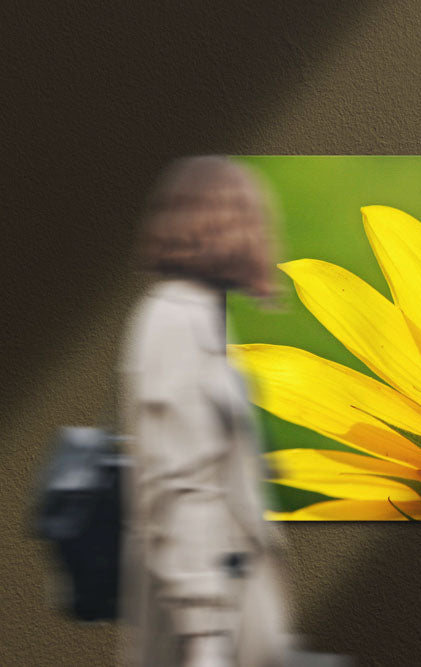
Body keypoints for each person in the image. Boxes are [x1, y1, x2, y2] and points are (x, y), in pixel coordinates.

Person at [118, 156, 289, 666]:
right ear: (224, 229)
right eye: (251, 221)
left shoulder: (202, 315)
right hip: (210, 615)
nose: (263, 236)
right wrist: (205, 635)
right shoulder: (174, 321)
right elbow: (180, 481)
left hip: (227, 596)